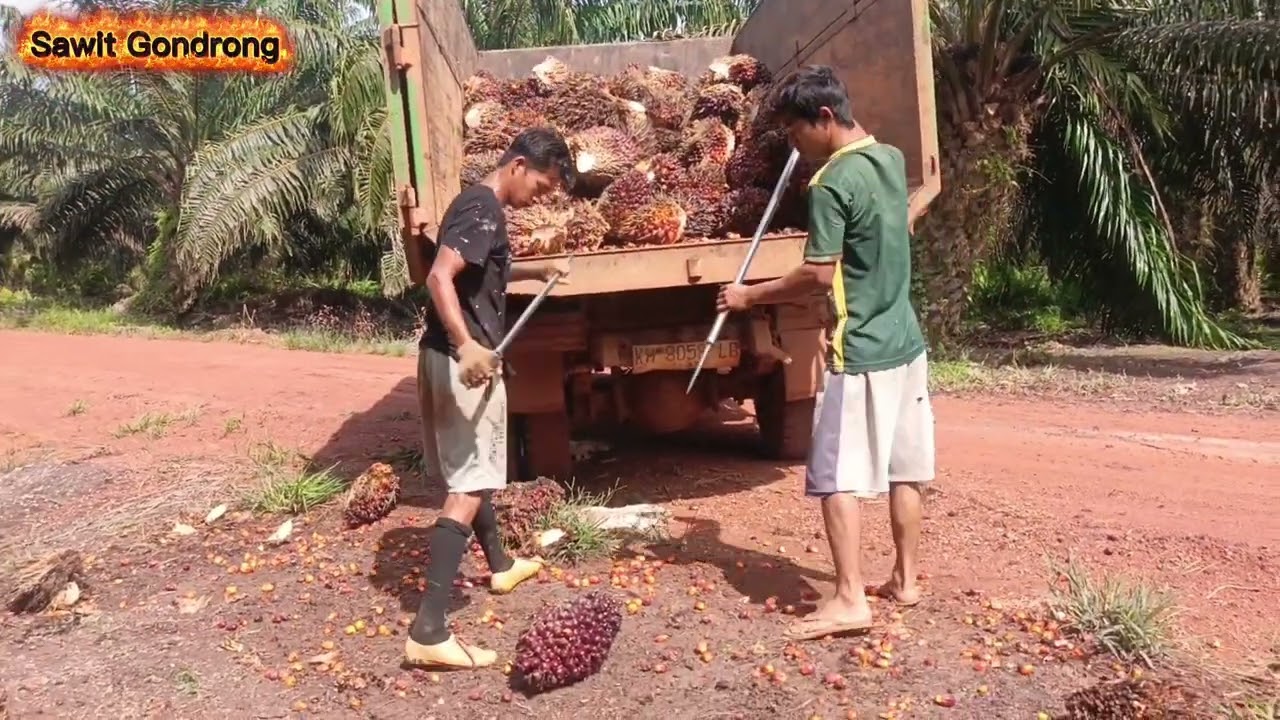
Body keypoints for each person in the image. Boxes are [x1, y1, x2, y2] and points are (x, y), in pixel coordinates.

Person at [716, 66, 935, 641]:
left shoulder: (831, 184)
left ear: (825, 120)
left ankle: (848, 599)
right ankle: (906, 581)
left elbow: (818, 273)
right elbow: (905, 216)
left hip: (858, 346)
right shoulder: (887, 158)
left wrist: (749, 295)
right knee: (903, 469)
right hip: (906, 342)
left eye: (794, 133)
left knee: (835, 476)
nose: (794, 146)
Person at [404, 127, 575, 669]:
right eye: (542, 187)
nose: (540, 199)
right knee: (472, 481)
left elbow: (482, 268)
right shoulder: (483, 208)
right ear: (518, 165)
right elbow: (439, 278)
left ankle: (500, 564)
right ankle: (429, 629)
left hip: (448, 356)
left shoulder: (478, 208)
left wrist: (534, 269)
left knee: (480, 468)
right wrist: (468, 346)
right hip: (462, 362)